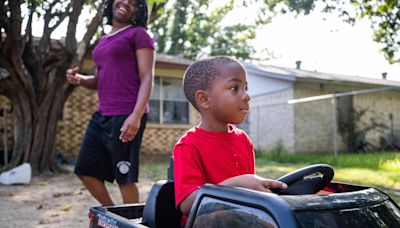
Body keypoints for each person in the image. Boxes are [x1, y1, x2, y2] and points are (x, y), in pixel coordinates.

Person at [173, 56, 287, 225]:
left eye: (245, 88)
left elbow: (251, 197)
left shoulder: (243, 140)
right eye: (235, 88)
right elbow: (187, 204)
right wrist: (238, 184)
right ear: (204, 99)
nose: (246, 96)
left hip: (243, 219)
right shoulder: (188, 146)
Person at [66, 0, 155, 205]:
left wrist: (136, 115)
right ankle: (112, 214)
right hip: (103, 114)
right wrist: (79, 80)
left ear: (137, 11)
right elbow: (99, 80)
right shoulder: (104, 40)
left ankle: (130, 221)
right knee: (84, 169)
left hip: (127, 112)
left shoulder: (138, 34)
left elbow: (147, 77)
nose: (126, 3)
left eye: (133, 3)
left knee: (125, 176)